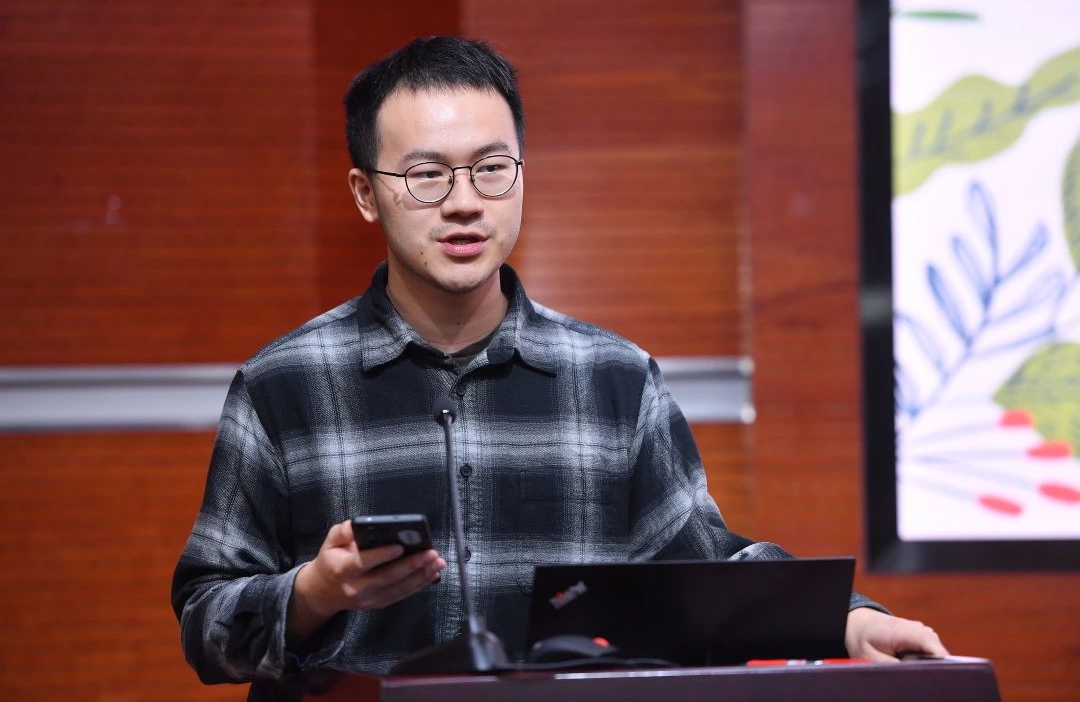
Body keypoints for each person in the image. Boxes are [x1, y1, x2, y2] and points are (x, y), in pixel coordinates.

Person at [172, 35, 947, 700]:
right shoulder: (284, 385)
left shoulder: (614, 380)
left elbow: (707, 569)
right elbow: (206, 626)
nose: (465, 202)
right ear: (366, 194)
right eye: (427, 174)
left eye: (491, 167)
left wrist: (849, 621)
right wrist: (311, 595)